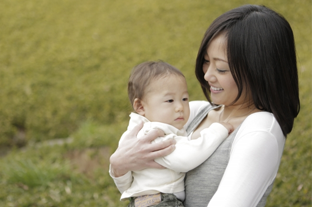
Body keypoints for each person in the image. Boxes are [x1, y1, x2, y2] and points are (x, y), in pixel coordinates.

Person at [110, 4, 300, 207]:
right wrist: (118, 164)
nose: (208, 75)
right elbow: (135, 165)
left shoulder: (260, 130)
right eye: (206, 61)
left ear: (259, 71)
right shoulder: (197, 111)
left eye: (221, 69)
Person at [110, 61, 233, 207]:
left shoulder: (132, 134)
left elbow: (124, 182)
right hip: (161, 202)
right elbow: (186, 159)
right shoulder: (154, 134)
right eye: (170, 100)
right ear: (141, 106)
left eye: (184, 99)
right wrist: (217, 131)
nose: (180, 107)